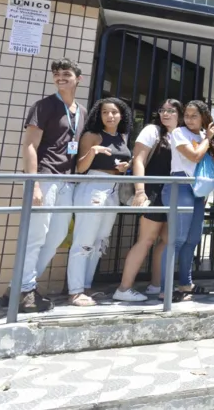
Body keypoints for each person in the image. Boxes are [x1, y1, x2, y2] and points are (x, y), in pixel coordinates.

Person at [4, 59, 88, 312]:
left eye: (66, 74)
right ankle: (26, 291)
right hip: (45, 178)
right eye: (56, 74)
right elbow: (30, 145)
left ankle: (15, 288)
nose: (60, 77)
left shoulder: (81, 112)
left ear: (78, 79)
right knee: (35, 237)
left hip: (66, 181)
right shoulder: (44, 105)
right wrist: (35, 183)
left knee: (56, 237)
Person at [112, 100, 183, 302]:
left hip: (172, 192)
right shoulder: (152, 130)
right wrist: (140, 190)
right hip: (153, 191)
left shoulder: (180, 135)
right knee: (147, 239)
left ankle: (156, 285)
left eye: (171, 111)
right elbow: (140, 160)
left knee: (168, 240)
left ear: (180, 113)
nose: (166, 114)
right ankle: (124, 289)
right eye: (163, 110)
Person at [69, 98, 133, 306]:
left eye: (114, 112)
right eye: (105, 112)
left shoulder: (121, 137)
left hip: (113, 189)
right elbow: (80, 167)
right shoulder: (92, 136)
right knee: (84, 240)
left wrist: (123, 168)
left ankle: (87, 286)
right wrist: (93, 151)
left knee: (100, 241)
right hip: (93, 187)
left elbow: (117, 164)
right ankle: (75, 291)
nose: (110, 116)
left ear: (121, 115)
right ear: (100, 114)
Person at [159, 100, 214, 302]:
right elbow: (194, 156)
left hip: (198, 190)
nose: (189, 119)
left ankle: (185, 283)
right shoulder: (179, 133)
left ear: (203, 116)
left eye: (194, 115)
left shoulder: (205, 135)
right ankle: (165, 289)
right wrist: (209, 138)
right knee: (177, 240)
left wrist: (213, 139)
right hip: (180, 186)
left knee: (192, 239)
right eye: (186, 115)